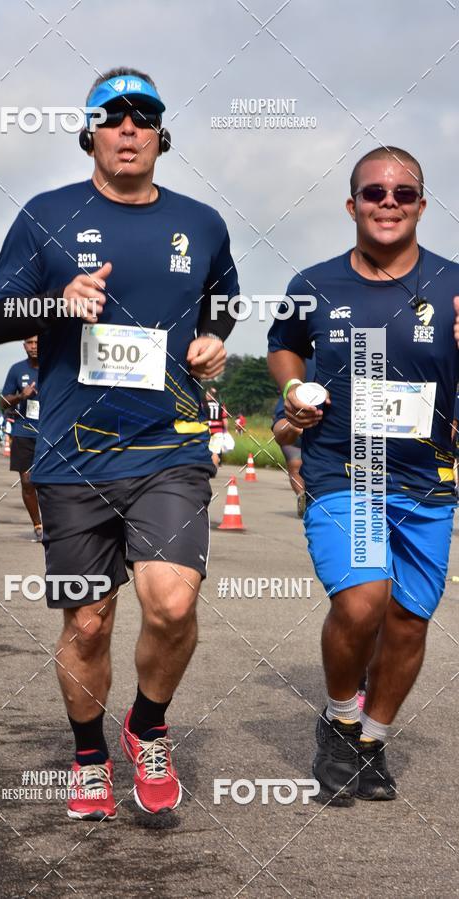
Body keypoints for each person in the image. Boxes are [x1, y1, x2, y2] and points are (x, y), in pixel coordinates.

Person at [0, 67, 239, 820]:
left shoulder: (202, 222)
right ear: (89, 131)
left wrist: (213, 338)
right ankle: (90, 754)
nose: (128, 128)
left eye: (143, 116)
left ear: (162, 133)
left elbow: (223, 295)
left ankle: (148, 727)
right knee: (87, 620)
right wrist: (53, 300)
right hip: (72, 453)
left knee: (171, 603)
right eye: (113, 116)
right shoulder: (45, 216)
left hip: (170, 446)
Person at [268, 146, 459, 805]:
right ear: (352, 205)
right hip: (344, 467)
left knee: (408, 622)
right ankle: (340, 719)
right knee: (362, 599)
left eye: (403, 193)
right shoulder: (315, 284)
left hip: (427, 480)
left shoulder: (453, 285)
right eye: (374, 192)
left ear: (422, 205)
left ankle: (371, 741)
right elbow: (283, 343)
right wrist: (294, 387)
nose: (388, 202)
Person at [1, 337, 43, 541]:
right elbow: (3, 402)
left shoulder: (55, 366)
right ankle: (38, 524)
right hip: (24, 432)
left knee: (52, 483)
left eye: (37, 342)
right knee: (27, 482)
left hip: (51, 432)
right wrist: (21, 396)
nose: (33, 346)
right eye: (29, 343)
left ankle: (56, 523)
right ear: (24, 345)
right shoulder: (17, 370)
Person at [271, 357, 316, 517]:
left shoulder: (296, 359)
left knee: (295, 465)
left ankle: (301, 494)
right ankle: (308, 497)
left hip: (292, 415)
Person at [204, 387, 229, 468]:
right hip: (218, 430)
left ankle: (206, 467)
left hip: (207, 430)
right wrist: (226, 430)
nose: (206, 397)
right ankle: (214, 469)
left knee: (207, 450)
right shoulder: (221, 405)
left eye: (207, 395)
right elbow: (225, 420)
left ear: (209, 395)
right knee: (216, 451)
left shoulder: (204, 404)